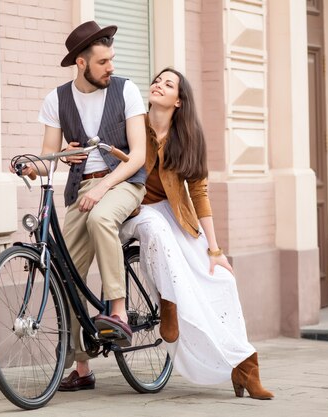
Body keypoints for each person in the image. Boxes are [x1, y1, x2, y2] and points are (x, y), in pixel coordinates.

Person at [117, 67, 274, 400]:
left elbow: (199, 193)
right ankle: (169, 304)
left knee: (221, 280)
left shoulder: (188, 137)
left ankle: (244, 365)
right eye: (157, 80)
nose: (158, 84)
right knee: (156, 228)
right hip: (134, 210)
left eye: (168, 83)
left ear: (179, 100)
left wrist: (215, 250)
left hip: (176, 214)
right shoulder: (133, 123)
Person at [29, 21, 147, 392]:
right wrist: (33, 165)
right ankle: (82, 369)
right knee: (67, 274)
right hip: (82, 190)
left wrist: (104, 188)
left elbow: (138, 156)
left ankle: (117, 311)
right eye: (102, 62)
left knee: (100, 218)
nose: (110, 67)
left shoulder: (127, 90)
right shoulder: (58, 99)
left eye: (111, 59)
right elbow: (50, 157)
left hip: (125, 183)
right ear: (81, 64)